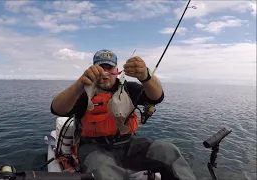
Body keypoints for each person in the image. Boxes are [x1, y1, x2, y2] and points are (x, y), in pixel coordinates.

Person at [50, 49, 196, 180]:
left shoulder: (128, 88)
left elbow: (157, 97)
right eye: (101, 68)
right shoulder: (84, 92)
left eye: (109, 68)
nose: (105, 73)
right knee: (102, 169)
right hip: (94, 148)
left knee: (168, 151)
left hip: (128, 144)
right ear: (93, 70)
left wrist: (146, 76)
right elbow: (57, 109)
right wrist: (78, 85)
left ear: (117, 70)